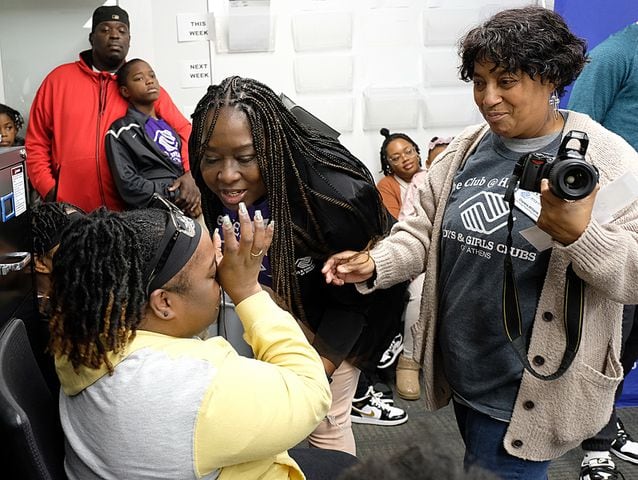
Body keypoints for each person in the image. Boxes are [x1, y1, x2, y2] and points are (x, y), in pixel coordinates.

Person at [323, 6, 638, 479]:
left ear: (551, 78)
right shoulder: (464, 150)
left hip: (526, 392)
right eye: (479, 81)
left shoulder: (609, 160)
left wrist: (580, 236)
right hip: (465, 373)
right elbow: (420, 231)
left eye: (506, 81)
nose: (488, 98)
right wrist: (375, 262)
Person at [48, 197, 358, 479]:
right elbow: (312, 390)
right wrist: (248, 290)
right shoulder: (191, 389)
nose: (224, 278)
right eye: (213, 273)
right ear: (164, 303)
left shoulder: (85, 336)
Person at [189, 76, 408, 454]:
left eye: (245, 158)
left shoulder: (336, 196)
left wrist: (322, 364)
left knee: (325, 424)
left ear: (274, 149)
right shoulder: (222, 192)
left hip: (334, 325)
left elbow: (362, 298)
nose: (226, 175)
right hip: (267, 314)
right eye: (211, 159)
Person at [25, 5, 200, 214]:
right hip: (70, 212)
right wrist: (51, 190)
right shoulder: (57, 81)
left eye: (121, 30)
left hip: (134, 212)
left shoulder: (142, 85)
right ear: (92, 38)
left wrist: (190, 173)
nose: (115, 35)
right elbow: (36, 143)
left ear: (129, 40)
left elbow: (184, 131)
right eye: (105, 29)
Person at [568, 22, 638, 479]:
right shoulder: (616, 54)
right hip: (618, 217)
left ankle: (604, 420)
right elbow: (574, 137)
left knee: (635, 336)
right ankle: (594, 442)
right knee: (611, 332)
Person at [391, 134, 453, 401]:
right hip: (427, 261)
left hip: (462, 260)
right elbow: (408, 224)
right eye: (436, 161)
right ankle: (409, 360)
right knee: (420, 291)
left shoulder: (468, 181)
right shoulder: (420, 182)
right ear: (428, 163)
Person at [106, 58, 201, 217]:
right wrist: (177, 194)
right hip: (154, 216)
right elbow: (128, 185)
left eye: (152, 76)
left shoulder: (170, 128)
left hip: (187, 211)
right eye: (139, 78)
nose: (149, 81)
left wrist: (193, 186)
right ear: (125, 91)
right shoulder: (121, 130)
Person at [376, 128, 423, 220]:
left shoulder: (431, 175)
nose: (405, 159)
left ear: (416, 151)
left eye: (408, 152)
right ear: (389, 164)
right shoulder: (386, 185)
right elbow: (394, 222)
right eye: (396, 158)